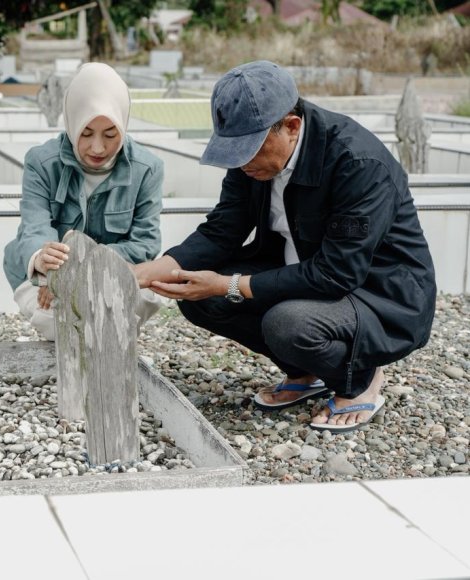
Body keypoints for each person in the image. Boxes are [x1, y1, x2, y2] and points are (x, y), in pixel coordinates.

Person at [134, 60, 436, 433]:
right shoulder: (253, 160)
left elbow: (336, 273)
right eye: (233, 150)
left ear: (291, 127)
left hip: (377, 294)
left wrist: (228, 284)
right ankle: (307, 371)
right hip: (303, 275)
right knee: (200, 297)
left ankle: (359, 377)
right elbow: (223, 229)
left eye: (249, 149)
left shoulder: (357, 162)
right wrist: (149, 271)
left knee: (287, 323)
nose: (241, 162)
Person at [3, 63, 164, 340]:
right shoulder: (41, 162)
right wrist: (46, 268)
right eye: (86, 133)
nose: (98, 148)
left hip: (116, 272)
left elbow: (146, 243)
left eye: (111, 135)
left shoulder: (147, 168)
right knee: (55, 320)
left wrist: (78, 271)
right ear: (71, 122)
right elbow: (34, 228)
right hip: (46, 279)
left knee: (131, 306)